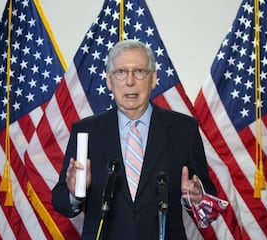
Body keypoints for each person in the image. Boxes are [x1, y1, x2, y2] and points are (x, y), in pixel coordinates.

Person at [52, 39, 217, 240]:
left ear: (154, 78)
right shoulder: (86, 131)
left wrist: (197, 198)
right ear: (109, 81)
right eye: (121, 72)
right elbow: (60, 201)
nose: (130, 81)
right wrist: (74, 193)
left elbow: (208, 200)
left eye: (139, 72)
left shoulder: (184, 129)